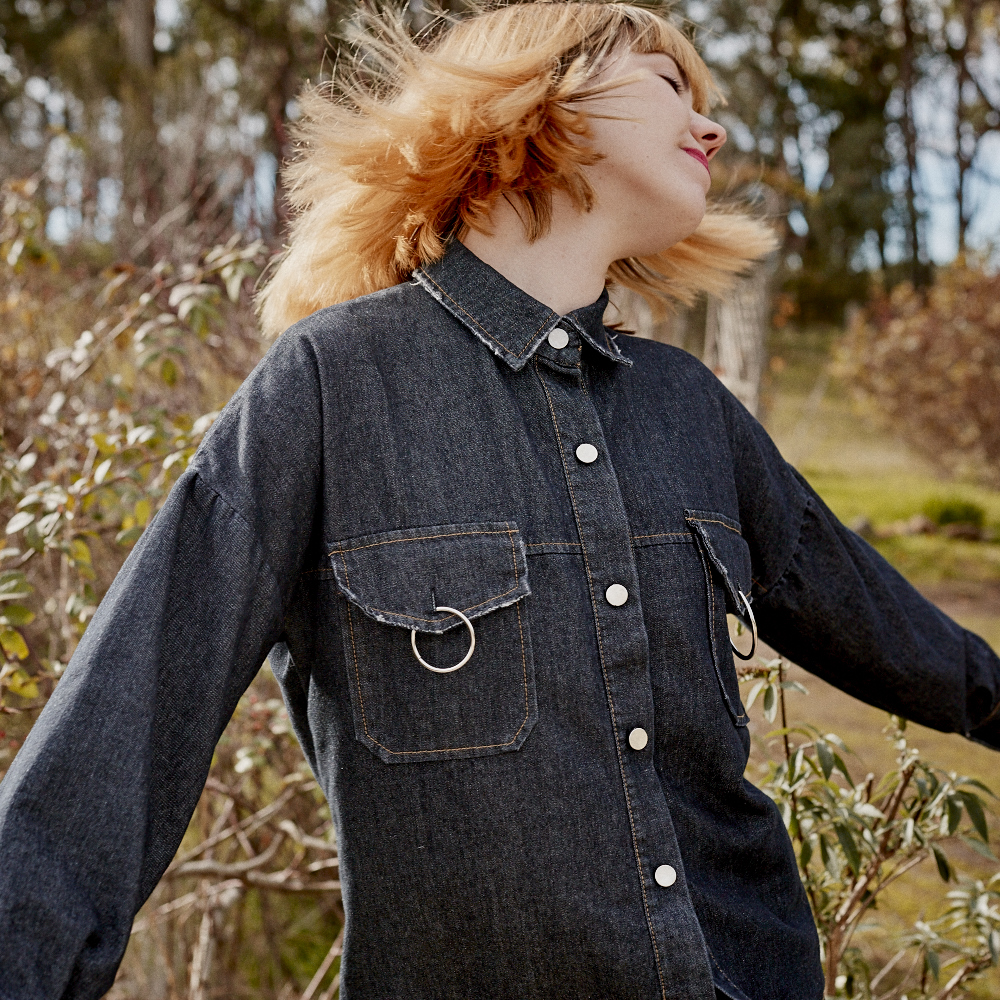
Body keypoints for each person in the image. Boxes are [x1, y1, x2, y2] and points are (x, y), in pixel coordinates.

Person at [1, 2, 998, 999]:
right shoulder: (331, 385)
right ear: (543, 96)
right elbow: (124, 727)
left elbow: (887, 627)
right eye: (668, 84)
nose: (712, 125)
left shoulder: (691, 407)